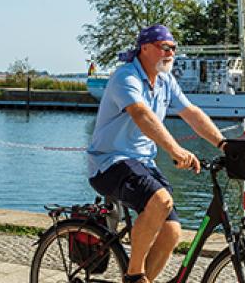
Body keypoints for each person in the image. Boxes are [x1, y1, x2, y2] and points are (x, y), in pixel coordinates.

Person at [87, 24, 227, 283]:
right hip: (109, 162)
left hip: (142, 162)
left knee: (172, 232)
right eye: (165, 47)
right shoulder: (125, 77)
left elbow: (191, 113)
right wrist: (175, 150)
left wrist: (224, 144)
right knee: (161, 200)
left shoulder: (165, 80)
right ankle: (134, 275)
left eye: (174, 48)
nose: (171, 53)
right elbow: (141, 115)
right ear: (145, 48)